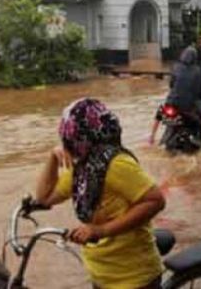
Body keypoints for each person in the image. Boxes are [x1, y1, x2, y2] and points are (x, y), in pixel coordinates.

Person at [36, 98, 166, 289]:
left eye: (70, 138)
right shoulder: (82, 167)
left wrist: (101, 230)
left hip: (132, 277)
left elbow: (155, 201)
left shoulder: (117, 163)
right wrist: (53, 158)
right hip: (100, 273)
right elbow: (44, 198)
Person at [148, 47, 201, 146]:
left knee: (159, 114)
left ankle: (152, 137)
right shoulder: (197, 70)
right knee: (197, 123)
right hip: (186, 106)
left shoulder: (175, 67)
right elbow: (196, 90)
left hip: (171, 102)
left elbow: (171, 84)